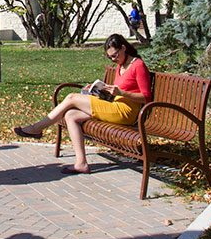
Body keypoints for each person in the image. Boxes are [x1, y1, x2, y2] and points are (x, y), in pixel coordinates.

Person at [12, 33, 152, 175]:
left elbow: (146, 98)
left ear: (123, 48)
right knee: (71, 115)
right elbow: (115, 91)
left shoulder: (138, 65)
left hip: (126, 113)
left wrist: (122, 93)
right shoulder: (120, 66)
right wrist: (98, 90)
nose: (113, 59)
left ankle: (37, 128)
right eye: (110, 57)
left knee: (72, 97)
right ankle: (81, 163)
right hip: (113, 105)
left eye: (115, 55)